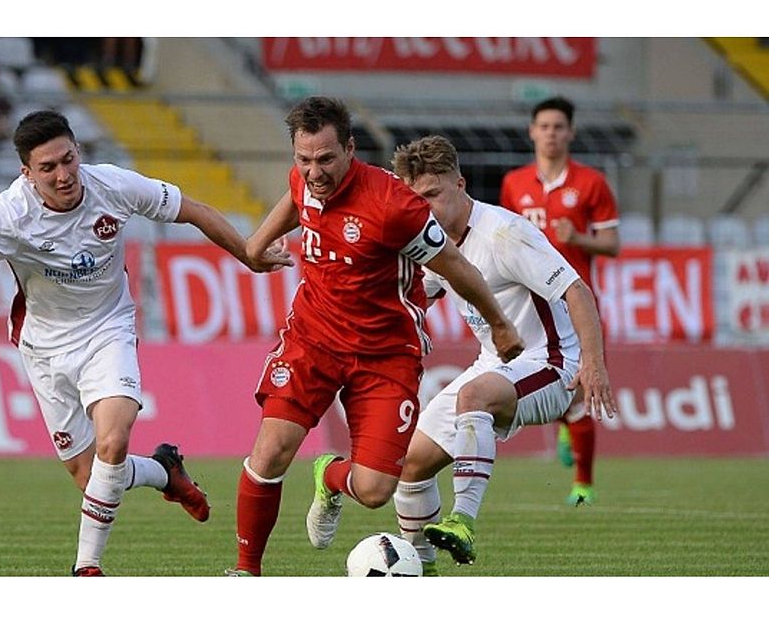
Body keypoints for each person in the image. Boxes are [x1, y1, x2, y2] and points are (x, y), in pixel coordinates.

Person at [0, 110, 292, 576]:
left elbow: (193, 210)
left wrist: (249, 255)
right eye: (48, 168)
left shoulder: (113, 186)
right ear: (27, 174)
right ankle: (163, 471)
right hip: (45, 347)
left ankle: (86, 569)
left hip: (108, 330)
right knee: (90, 476)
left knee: (113, 442)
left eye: (68, 160)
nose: (63, 174)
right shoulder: (10, 215)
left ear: (78, 152)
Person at [226, 97, 524, 577]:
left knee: (374, 490)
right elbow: (295, 199)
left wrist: (501, 324)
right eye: (304, 160)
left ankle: (329, 474)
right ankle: (245, 573)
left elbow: (455, 265)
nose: (314, 171)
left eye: (325, 159)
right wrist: (255, 246)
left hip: (384, 355)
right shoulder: (303, 179)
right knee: (270, 451)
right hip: (312, 338)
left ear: (350, 148)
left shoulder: (394, 206)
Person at [390, 135, 618, 573]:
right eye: (416, 200)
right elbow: (417, 297)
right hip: (493, 364)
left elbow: (577, 290)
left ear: (460, 184)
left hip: (551, 362)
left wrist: (594, 363)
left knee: (473, 397)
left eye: (433, 194)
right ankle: (418, 573)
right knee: (411, 467)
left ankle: (463, 522)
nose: (426, 208)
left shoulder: (503, 233)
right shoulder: (434, 244)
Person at [499, 96, 620, 505]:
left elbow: (612, 244)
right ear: (533, 131)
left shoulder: (592, 182)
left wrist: (579, 238)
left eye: (558, 127)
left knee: (583, 387)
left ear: (570, 132)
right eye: (544, 126)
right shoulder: (514, 183)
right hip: (531, 306)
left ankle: (583, 486)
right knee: (539, 382)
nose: (551, 133)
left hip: (574, 300)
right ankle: (567, 422)